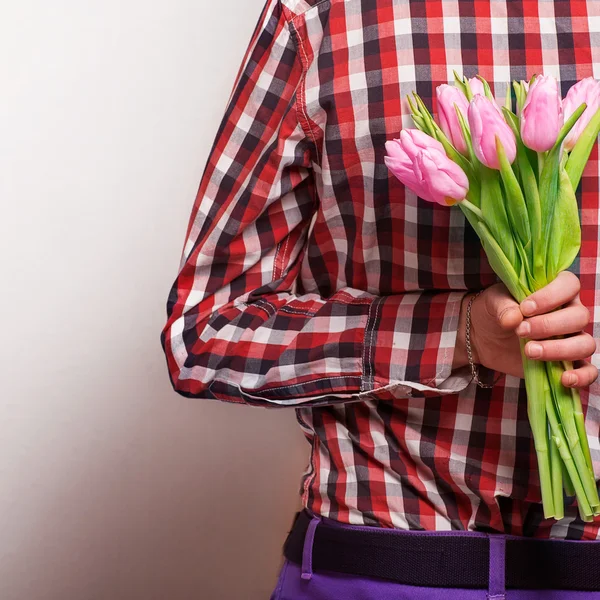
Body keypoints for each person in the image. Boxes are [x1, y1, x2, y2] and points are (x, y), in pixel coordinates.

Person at [160, 0, 600, 597]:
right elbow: (204, 332)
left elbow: (204, 331)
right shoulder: (320, 15)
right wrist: (460, 333)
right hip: (384, 560)